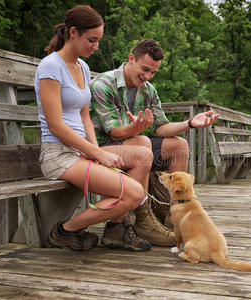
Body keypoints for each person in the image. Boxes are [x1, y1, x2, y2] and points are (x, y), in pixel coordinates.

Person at [35, 5, 154, 252]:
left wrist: (94, 150)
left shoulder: (83, 68)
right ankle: (65, 231)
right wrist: (98, 154)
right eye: (92, 40)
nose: (96, 47)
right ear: (74, 33)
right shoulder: (51, 67)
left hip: (81, 151)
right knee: (133, 193)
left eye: (98, 41)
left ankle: (116, 229)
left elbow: (84, 115)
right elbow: (56, 125)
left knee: (143, 154)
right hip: (58, 155)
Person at [89, 39, 219, 246]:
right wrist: (137, 128)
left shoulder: (148, 90)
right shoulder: (103, 84)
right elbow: (113, 133)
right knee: (142, 141)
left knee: (179, 145)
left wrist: (190, 123)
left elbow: (161, 127)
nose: (148, 76)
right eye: (145, 69)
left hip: (134, 144)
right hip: (102, 149)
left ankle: (170, 214)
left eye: (153, 72)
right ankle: (143, 221)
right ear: (131, 59)